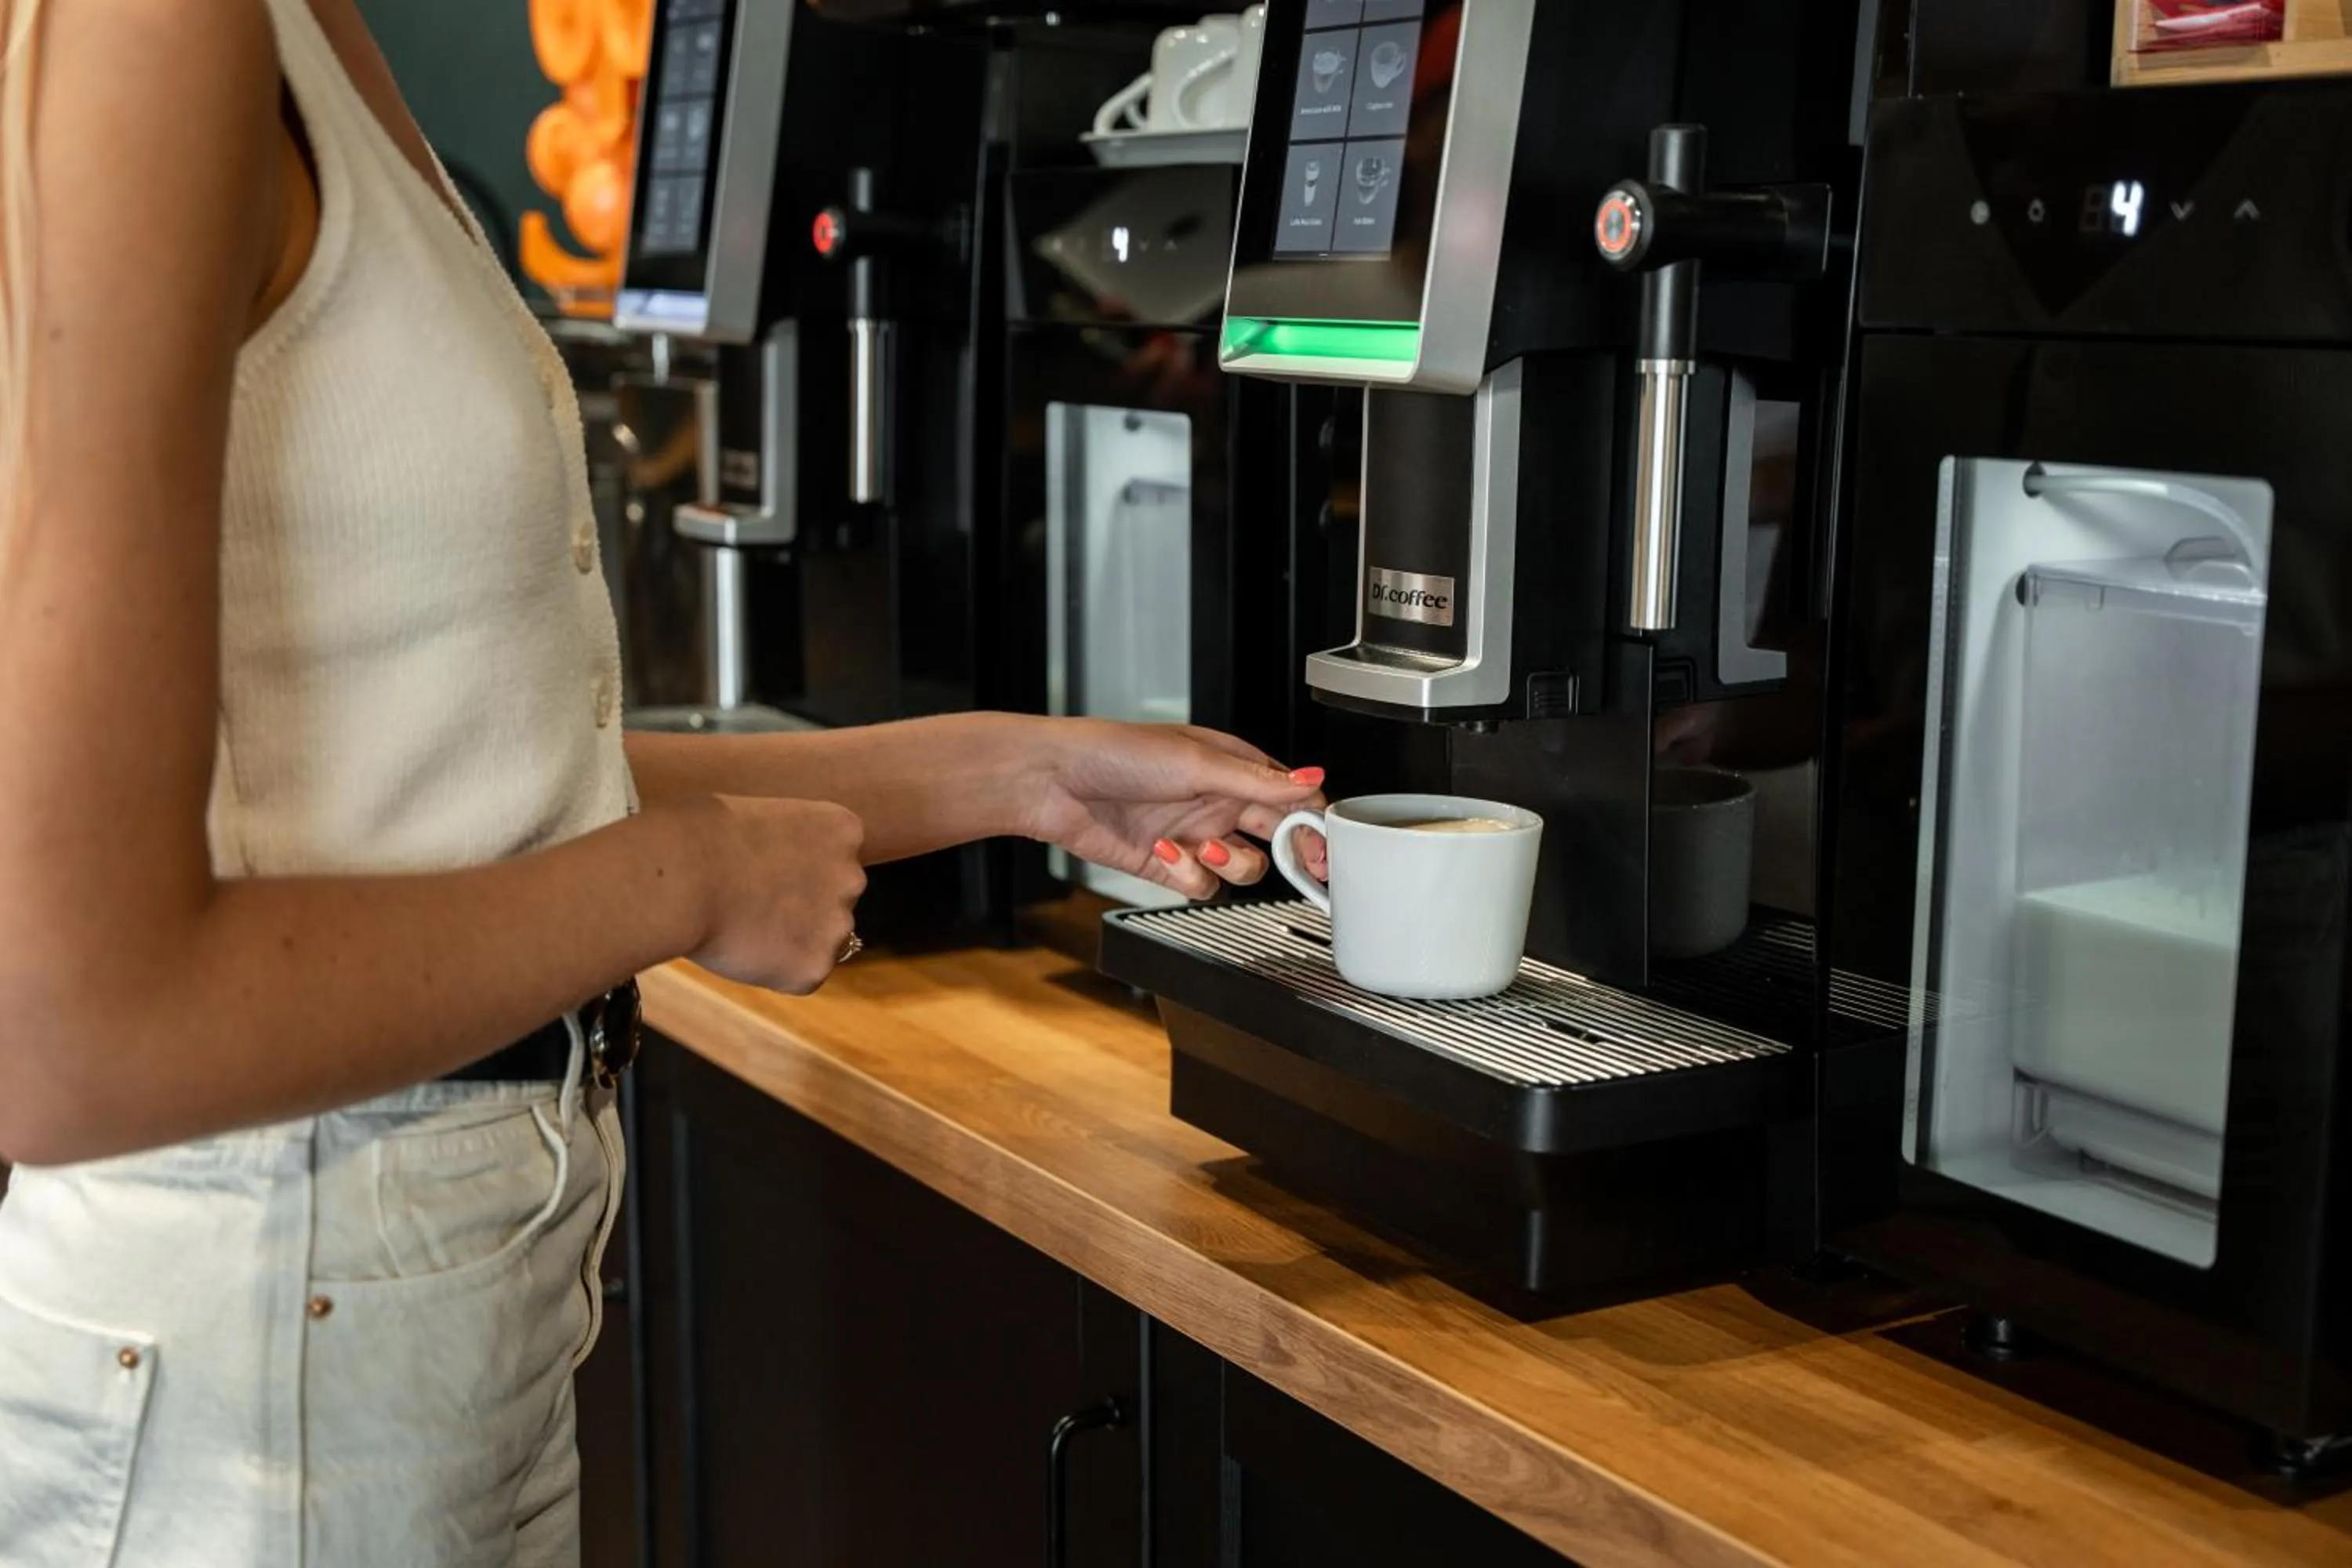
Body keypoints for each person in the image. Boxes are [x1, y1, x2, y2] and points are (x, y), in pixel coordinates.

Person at [0, 1, 1326, 1563]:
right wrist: (685, 880)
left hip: (390, 1331)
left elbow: (450, 772)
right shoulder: (157, 31)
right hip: (272, 1370)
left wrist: (1026, 772)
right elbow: (70, 1030)